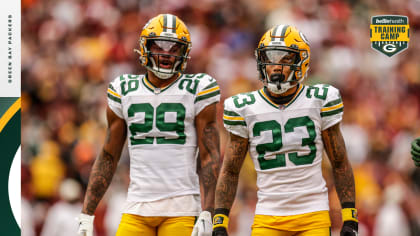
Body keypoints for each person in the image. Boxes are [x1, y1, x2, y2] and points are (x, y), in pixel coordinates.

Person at [77, 13, 221, 236]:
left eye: (174, 48)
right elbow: (108, 156)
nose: (166, 54)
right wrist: (87, 213)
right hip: (136, 207)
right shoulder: (124, 89)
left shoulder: (198, 88)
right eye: (160, 46)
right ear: (145, 47)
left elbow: (209, 156)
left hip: (181, 208)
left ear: (184, 53)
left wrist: (208, 212)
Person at [212, 25, 358, 236]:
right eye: (269, 58)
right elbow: (230, 169)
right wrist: (220, 219)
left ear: (302, 61)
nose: (275, 66)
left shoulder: (319, 100)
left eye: (285, 59)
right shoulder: (244, 107)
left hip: (313, 213)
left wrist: (350, 216)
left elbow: (340, 161)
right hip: (268, 215)